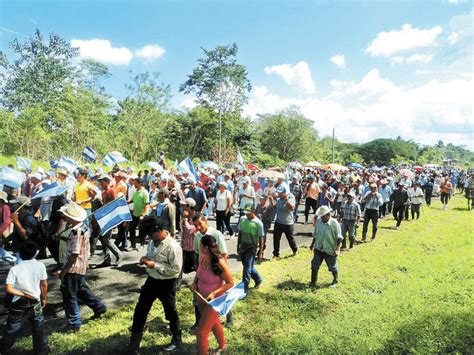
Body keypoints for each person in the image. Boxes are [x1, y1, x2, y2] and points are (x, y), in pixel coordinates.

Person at [128, 216, 183, 354]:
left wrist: (155, 265)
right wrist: (145, 259)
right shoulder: (153, 241)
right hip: (152, 280)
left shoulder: (173, 247)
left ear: (159, 230)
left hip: (167, 284)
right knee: (140, 310)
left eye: (151, 234)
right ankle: (134, 344)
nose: (150, 237)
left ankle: (177, 338)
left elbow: (175, 270)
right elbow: (150, 254)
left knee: (170, 312)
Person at [58, 203, 106, 332]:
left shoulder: (75, 231)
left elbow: (74, 254)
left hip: (74, 268)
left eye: (66, 216)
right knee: (81, 290)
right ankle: (99, 307)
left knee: (69, 295)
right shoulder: (83, 228)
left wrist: (64, 271)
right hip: (81, 266)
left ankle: (74, 323)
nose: (65, 217)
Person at [0, 241, 48, 354]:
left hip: (19, 303)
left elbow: (9, 288)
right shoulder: (40, 266)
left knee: (12, 329)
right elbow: (44, 285)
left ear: (19, 254)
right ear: (36, 253)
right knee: (38, 327)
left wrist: (23, 294)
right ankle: (40, 351)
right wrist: (44, 298)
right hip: (36, 301)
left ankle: (3, 350)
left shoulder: (15, 269)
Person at [191, 235, 234, 355]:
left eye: (200, 245)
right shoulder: (203, 257)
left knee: (201, 332)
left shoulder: (220, 262)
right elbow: (198, 273)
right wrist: (194, 283)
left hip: (215, 301)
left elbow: (230, 283)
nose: (198, 247)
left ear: (205, 247)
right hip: (201, 297)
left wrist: (214, 293)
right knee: (214, 323)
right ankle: (222, 345)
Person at [310, 206, 342, 288]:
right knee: (314, 264)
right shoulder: (318, 221)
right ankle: (313, 282)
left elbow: (339, 237)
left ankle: (335, 280)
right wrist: (312, 244)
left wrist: (337, 249)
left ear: (328, 215)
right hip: (319, 248)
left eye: (323, 216)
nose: (321, 218)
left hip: (329, 249)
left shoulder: (334, 223)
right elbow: (316, 234)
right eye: (320, 216)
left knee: (332, 266)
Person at [95, 175, 123, 266]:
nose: (101, 184)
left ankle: (118, 254)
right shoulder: (103, 193)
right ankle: (107, 259)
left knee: (106, 239)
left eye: (102, 182)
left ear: (107, 182)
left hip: (110, 218)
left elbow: (115, 204)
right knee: (103, 239)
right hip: (104, 217)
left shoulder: (112, 191)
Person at [237, 204, 264, 293]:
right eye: (246, 213)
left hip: (251, 248)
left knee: (246, 269)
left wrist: (260, 252)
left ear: (253, 212)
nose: (247, 215)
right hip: (243, 246)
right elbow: (240, 233)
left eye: (249, 213)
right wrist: (238, 245)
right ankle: (258, 279)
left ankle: (244, 288)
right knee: (248, 266)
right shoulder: (242, 219)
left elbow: (261, 238)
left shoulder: (258, 223)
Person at [272, 185, 298, 259]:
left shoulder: (290, 197)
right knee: (276, 239)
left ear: (284, 192)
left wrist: (286, 201)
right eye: (278, 193)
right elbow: (275, 208)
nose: (279, 194)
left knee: (290, 238)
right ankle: (276, 254)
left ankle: (295, 250)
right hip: (279, 222)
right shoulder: (279, 199)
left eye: (280, 193)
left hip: (288, 223)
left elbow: (292, 208)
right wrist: (272, 200)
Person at [129, 178, 150, 250]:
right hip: (135, 213)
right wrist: (125, 202)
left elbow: (147, 204)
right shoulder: (136, 191)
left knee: (142, 231)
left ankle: (142, 244)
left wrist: (144, 214)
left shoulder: (145, 192)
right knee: (131, 229)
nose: (134, 184)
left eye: (135, 183)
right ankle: (132, 245)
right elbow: (132, 200)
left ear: (140, 183)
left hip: (141, 214)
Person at [179, 198, 197, 274]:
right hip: (185, 247)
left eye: (184, 206)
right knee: (181, 267)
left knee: (196, 267)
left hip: (193, 249)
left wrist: (185, 219)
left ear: (189, 207)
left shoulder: (196, 218)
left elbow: (190, 230)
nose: (182, 207)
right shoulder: (185, 217)